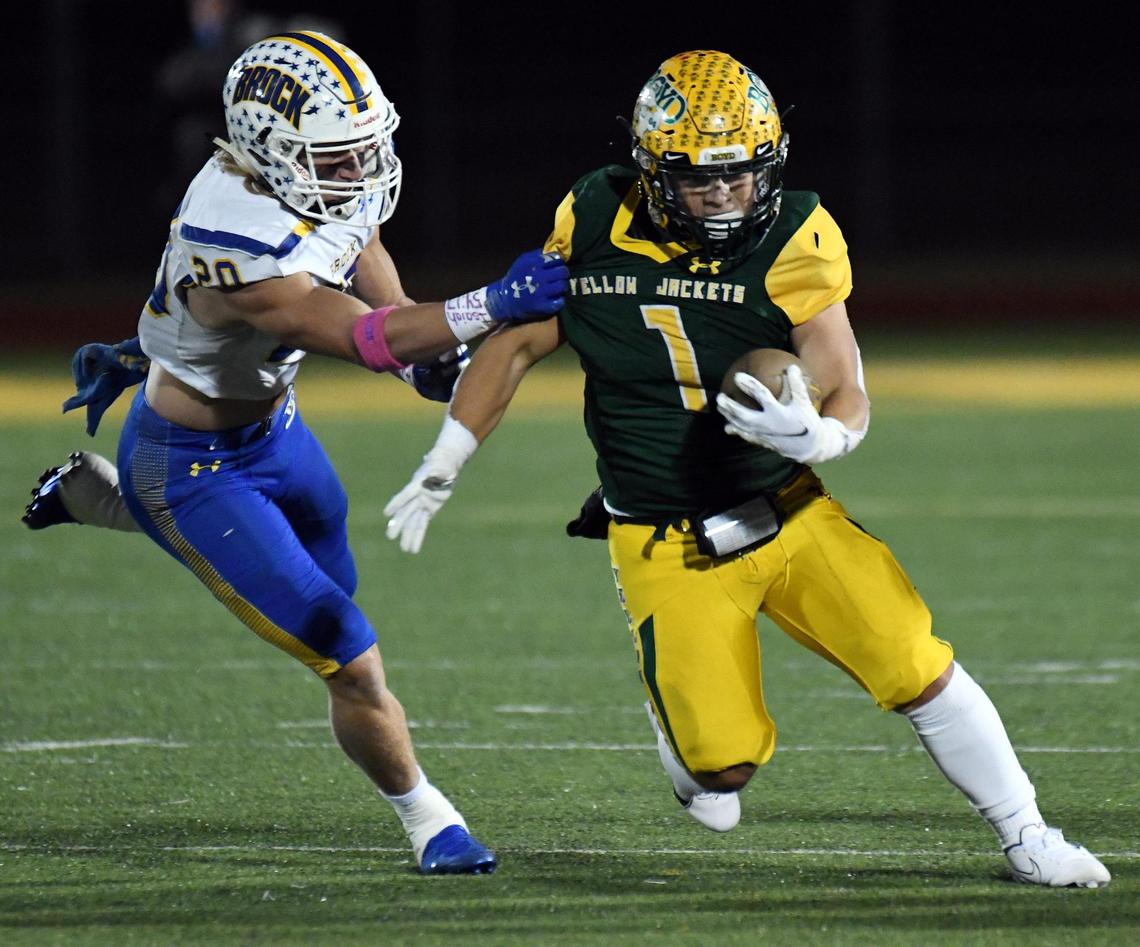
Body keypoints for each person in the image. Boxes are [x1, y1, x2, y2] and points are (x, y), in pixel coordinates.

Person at [380, 50, 1112, 888]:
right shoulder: (592, 214)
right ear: (651, 172)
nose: (727, 195)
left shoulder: (798, 230)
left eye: (742, 175)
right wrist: (447, 456)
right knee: (719, 775)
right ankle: (681, 717)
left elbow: (842, 377)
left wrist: (821, 438)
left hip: (786, 509)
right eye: (702, 179)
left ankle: (1027, 833)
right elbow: (517, 342)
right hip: (663, 538)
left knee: (917, 661)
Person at [22, 30, 569, 875]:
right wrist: (484, 305)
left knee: (335, 590)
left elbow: (360, 245)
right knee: (344, 650)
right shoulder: (235, 238)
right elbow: (360, 335)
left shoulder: (307, 182)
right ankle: (430, 819)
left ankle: (99, 500)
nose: (361, 172)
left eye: (364, 150)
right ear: (270, 151)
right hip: (190, 461)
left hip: (276, 433)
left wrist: (431, 351)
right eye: (338, 158)